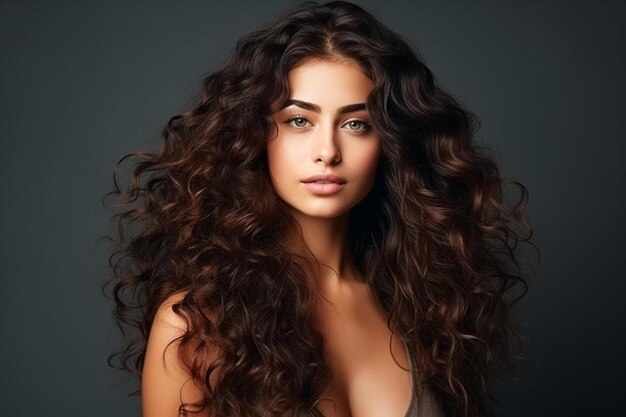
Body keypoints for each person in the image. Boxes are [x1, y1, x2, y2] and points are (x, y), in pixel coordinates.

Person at [104, 1, 534, 417]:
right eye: (299, 121)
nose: (327, 151)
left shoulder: (428, 308)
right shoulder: (196, 327)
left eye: (355, 124)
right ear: (254, 135)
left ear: (389, 145)